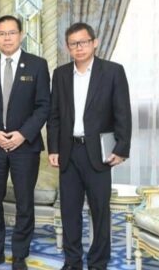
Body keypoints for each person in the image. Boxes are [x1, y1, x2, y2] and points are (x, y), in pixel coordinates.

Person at [47, 22, 131, 270]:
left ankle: (98, 262)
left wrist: (121, 148)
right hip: (69, 151)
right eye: (73, 44)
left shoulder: (113, 71)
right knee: (69, 211)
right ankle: (72, 261)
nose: (79, 47)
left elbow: (123, 112)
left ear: (95, 43)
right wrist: (53, 148)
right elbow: (54, 115)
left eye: (83, 42)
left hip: (98, 153)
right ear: (68, 47)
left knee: (100, 211)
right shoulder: (61, 74)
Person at [0, 15, 50, 270]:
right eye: (2, 33)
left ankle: (19, 255)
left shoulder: (37, 65)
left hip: (25, 146)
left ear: (21, 35)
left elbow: (43, 106)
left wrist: (22, 134)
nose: (7, 38)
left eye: (12, 33)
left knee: (24, 202)